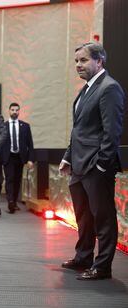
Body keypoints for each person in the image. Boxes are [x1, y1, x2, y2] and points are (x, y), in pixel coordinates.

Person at [59, 42, 125, 280]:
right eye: (76, 61)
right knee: (83, 216)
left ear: (99, 61)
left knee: (103, 217)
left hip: (96, 167)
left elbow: (112, 133)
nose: (78, 65)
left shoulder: (109, 88)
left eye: (83, 60)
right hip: (78, 165)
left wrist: (101, 165)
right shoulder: (86, 89)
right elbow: (79, 130)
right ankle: (83, 257)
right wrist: (68, 157)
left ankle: (102, 266)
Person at [2, 103, 34, 213]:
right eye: (12, 110)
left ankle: (14, 202)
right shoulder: (3, 126)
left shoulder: (25, 126)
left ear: (19, 111)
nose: (14, 112)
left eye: (16, 110)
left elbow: (30, 144)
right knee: (9, 179)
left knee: (17, 181)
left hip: (20, 157)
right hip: (8, 157)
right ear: (9, 111)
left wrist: (30, 159)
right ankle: (10, 201)